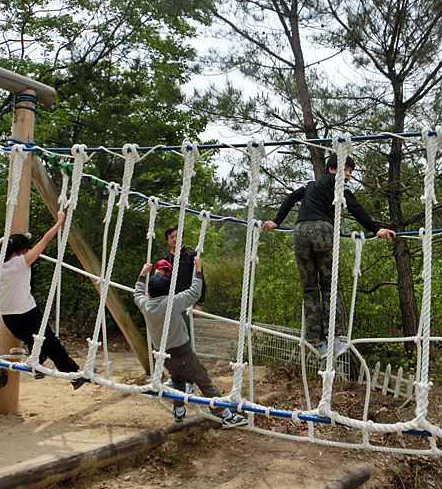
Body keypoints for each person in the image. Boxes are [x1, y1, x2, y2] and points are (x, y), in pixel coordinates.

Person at [262, 154, 396, 359]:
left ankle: (320, 343)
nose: (348, 176)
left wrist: (276, 221)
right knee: (329, 286)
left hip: (300, 233)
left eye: (351, 172)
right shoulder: (338, 183)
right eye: (346, 170)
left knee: (309, 289)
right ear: (332, 170)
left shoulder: (309, 186)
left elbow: (291, 198)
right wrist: (375, 229)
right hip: (323, 231)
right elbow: (354, 206)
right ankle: (334, 337)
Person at [133, 256, 248, 428]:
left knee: (177, 379)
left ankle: (179, 412)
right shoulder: (171, 302)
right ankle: (226, 415)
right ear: (169, 289)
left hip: (164, 357)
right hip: (183, 354)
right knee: (204, 382)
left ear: (150, 291)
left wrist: (142, 275)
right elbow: (195, 292)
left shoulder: (145, 305)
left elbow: (137, 293)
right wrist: (198, 269)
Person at [0, 212, 87, 390]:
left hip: (7, 317)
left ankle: (37, 366)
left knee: (34, 340)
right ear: (23, 251)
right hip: (26, 313)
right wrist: (60, 221)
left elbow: (5, 248)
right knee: (50, 341)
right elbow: (44, 241)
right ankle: (73, 374)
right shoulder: (22, 262)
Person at [158, 225, 205, 394]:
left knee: (186, 342)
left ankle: (190, 380)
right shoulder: (164, 258)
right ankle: (175, 376)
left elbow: (200, 279)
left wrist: (198, 302)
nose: (175, 240)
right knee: (170, 341)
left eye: (178, 236)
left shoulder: (191, 255)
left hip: (185, 303)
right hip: (168, 305)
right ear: (167, 239)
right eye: (172, 237)